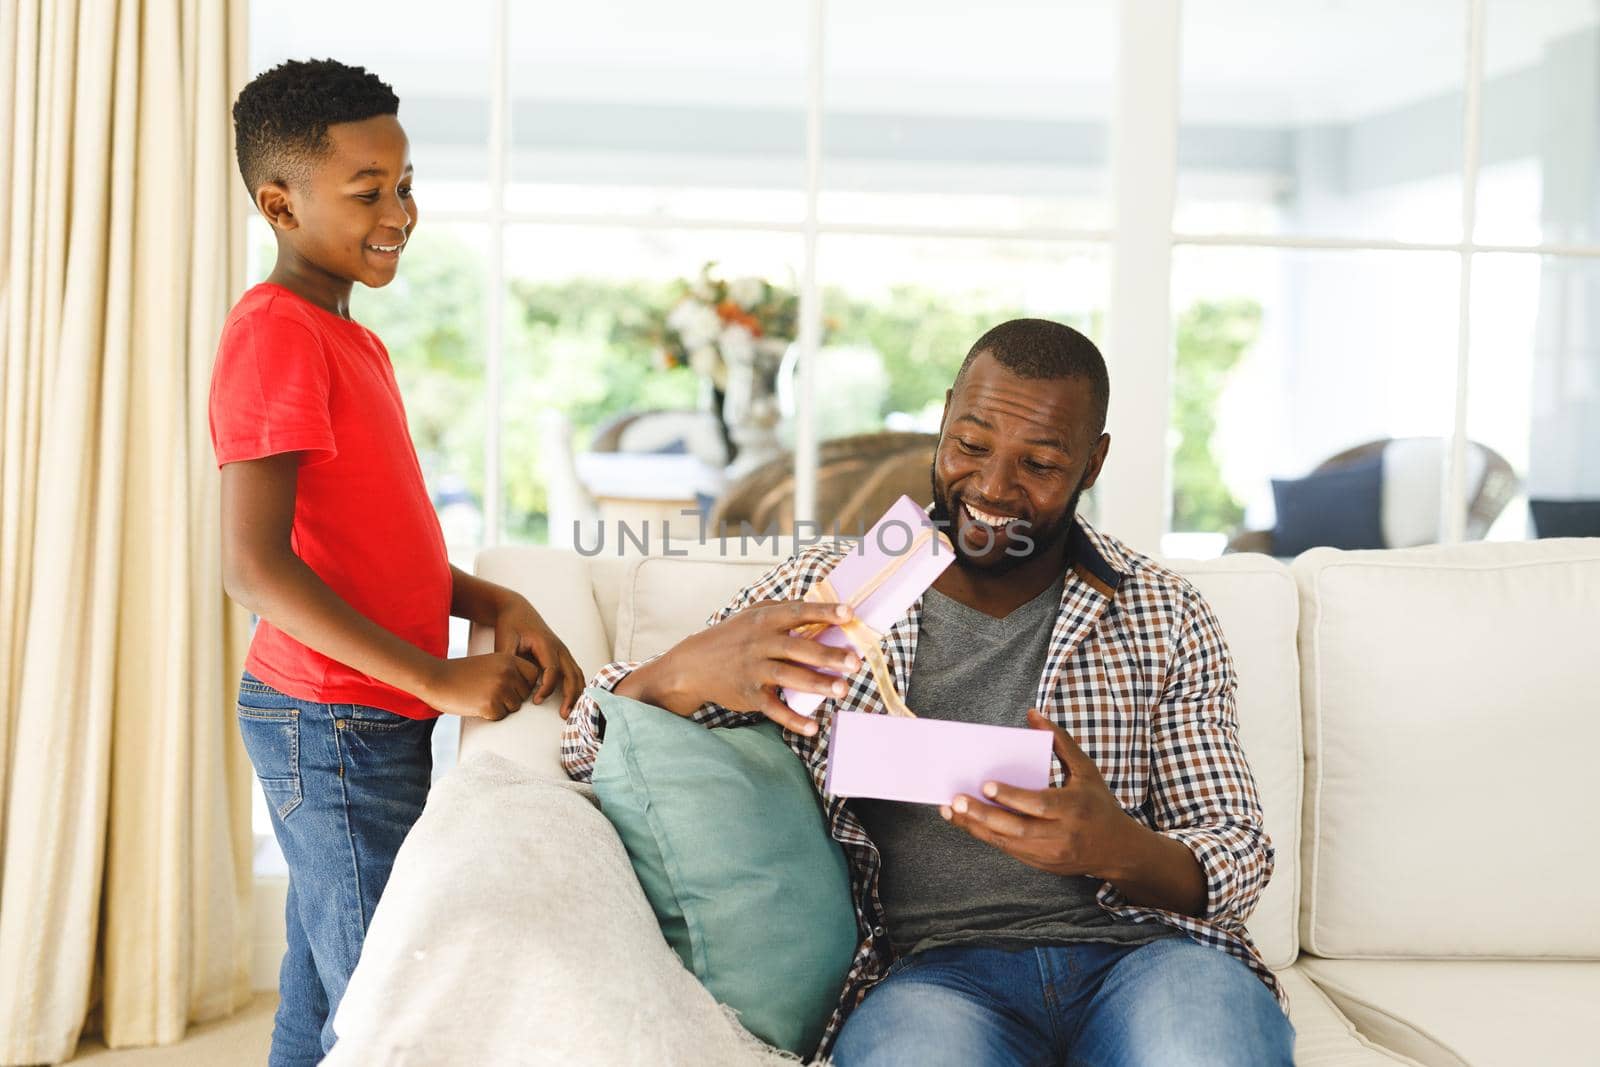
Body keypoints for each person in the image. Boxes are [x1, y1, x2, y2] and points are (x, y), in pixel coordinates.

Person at [561, 318, 1293, 1065]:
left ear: (1092, 462)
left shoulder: (1162, 611)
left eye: (1039, 462)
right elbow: (589, 744)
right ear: (944, 417)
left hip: (1146, 958)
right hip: (934, 975)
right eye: (971, 445)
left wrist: (1117, 846)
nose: (993, 487)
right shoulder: (836, 589)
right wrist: (684, 671)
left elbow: (1237, 848)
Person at [211, 59, 582, 1067]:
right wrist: (434, 675)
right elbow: (253, 566)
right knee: (394, 1000)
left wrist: (494, 598)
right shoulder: (275, 334)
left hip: (363, 711)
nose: (401, 211)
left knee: (329, 982)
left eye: (406, 183)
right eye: (368, 192)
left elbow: (377, 542)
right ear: (280, 203)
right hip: (330, 719)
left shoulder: (345, 336)